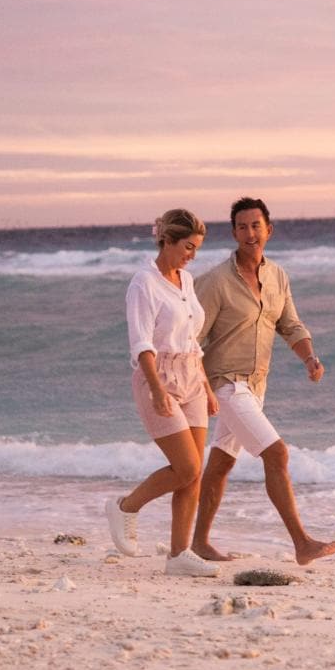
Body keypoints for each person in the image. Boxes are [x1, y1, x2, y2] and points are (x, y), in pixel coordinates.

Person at [191, 197, 335, 566]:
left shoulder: (277, 276)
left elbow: (289, 324)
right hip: (225, 382)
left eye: (256, 226)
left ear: (268, 230)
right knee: (276, 453)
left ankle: (197, 543)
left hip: (256, 386)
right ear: (233, 233)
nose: (249, 233)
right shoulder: (214, 282)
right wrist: (202, 388)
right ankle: (302, 543)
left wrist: (310, 357)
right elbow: (190, 340)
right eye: (242, 227)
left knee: (221, 463)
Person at [105, 208, 220, 577]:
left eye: (197, 248)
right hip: (159, 378)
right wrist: (156, 390)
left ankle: (178, 555)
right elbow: (141, 343)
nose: (193, 255)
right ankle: (126, 506)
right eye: (188, 246)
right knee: (185, 466)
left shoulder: (185, 281)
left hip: (192, 379)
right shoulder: (143, 283)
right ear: (167, 240)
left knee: (195, 473)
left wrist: (205, 384)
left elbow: (191, 339)